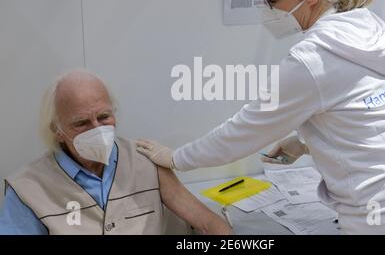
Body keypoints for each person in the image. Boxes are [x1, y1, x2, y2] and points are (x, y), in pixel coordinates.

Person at [136, 0, 385, 235]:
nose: (268, 10)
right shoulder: (370, 26)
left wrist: (176, 157)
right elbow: (380, 108)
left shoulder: (312, 59)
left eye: (272, 0)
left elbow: (241, 133)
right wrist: (305, 141)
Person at [0, 69, 232, 235]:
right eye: (81, 123)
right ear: (57, 130)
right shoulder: (29, 189)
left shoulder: (146, 162)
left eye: (104, 117)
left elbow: (208, 224)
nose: (97, 129)